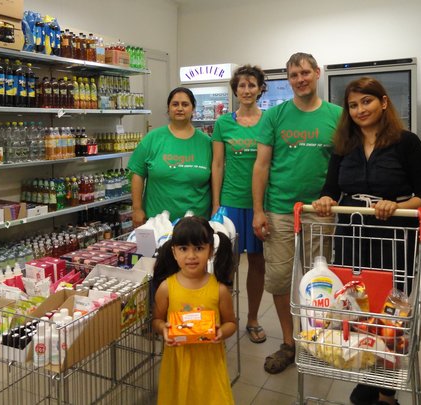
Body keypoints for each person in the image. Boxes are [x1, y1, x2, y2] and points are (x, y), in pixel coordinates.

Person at [312, 77, 421, 405]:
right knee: (358, 308)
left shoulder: (406, 143)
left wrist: (396, 205)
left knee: (391, 314)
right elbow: (331, 188)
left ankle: (386, 389)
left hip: (394, 239)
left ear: (383, 102)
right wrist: (325, 200)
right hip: (353, 238)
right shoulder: (344, 146)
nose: (359, 110)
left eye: (366, 102)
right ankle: (368, 375)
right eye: (353, 105)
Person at [252, 52, 342, 374]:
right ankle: (290, 343)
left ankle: (316, 338)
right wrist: (258, 210)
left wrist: (333, 196)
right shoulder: (274, 116)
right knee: (279, 280)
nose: (300, 79)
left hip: (320, 211)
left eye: (305, 72)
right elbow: (261, 166)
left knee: (317, 282)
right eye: (293, 74)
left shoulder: (337, 115)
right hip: (279, 210)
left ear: (317, 73)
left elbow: (343, 164)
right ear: (287, 79)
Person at [152, 216, 237, 405]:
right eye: (183, 249)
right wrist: (164, 329)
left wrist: (221, 332)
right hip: (177, 363)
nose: (191, 256)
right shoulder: (167, 288)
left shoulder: (219, 290)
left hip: (209, 363)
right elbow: (156, 320)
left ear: (211, 251)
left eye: (198, 248)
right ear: (174, 252)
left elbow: (231, 323)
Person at [211, 64, 267, 344]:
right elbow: (218, 164)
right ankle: (225, 317)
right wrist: (216, 204)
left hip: (259, 204)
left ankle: (253, 318)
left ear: (260, 89)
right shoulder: (223, 123)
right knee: (226, 264)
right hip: (230, 204)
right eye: (241, 85)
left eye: (252, 85)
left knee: (257, 262)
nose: (246, 90)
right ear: (235, 90)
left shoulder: (269, 121)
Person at [128, 87, 211, 228]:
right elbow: (137, 173)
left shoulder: (207, 143)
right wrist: (137, 209)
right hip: (157, 224)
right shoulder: (152, 139)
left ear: (193, 109)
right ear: (168, 109)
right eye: (175, 104)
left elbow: (216, 179)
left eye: (185, 104)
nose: (180, 108)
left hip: (198, 224)